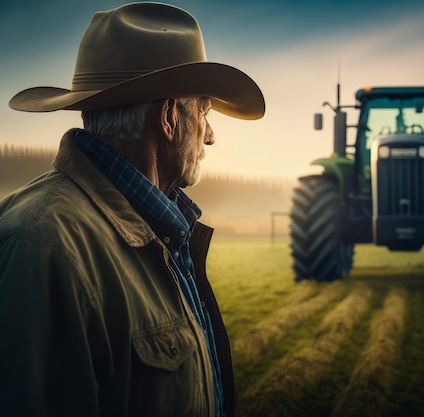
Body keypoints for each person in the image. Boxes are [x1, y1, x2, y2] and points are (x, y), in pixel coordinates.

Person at [0, 3, 264, 417]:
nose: (209, 135)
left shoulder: (158, 229)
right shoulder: (42, 247)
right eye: (204, 111)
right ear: (169, 118)